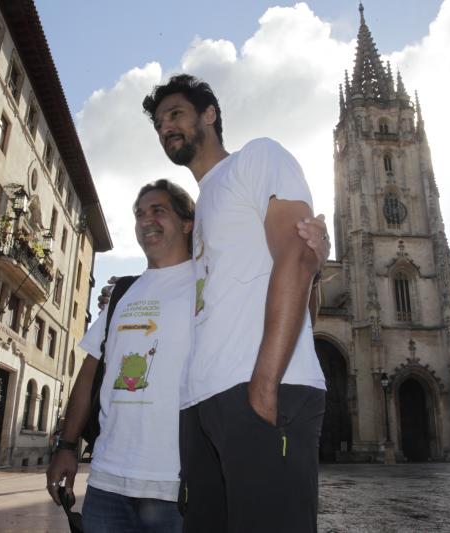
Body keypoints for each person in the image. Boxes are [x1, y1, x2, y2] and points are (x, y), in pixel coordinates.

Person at [45, 179, 331, 531]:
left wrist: (311, 274)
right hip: (106, 483)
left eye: (158, 211)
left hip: (181, 486)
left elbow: (297, 324)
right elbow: (89, 372)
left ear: (186, 223)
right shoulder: (122, 292)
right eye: (139, 214)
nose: (146, 220)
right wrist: (67, 445)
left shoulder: (214, 282)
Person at [142, 74, 328, 532]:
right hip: (205, 402)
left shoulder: (258, 157)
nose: (166, 127)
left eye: (176, 114)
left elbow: (299, 256)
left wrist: (265, 384)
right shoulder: (203, 205)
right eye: (160, 122)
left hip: (257, 392)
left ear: (210, 115)